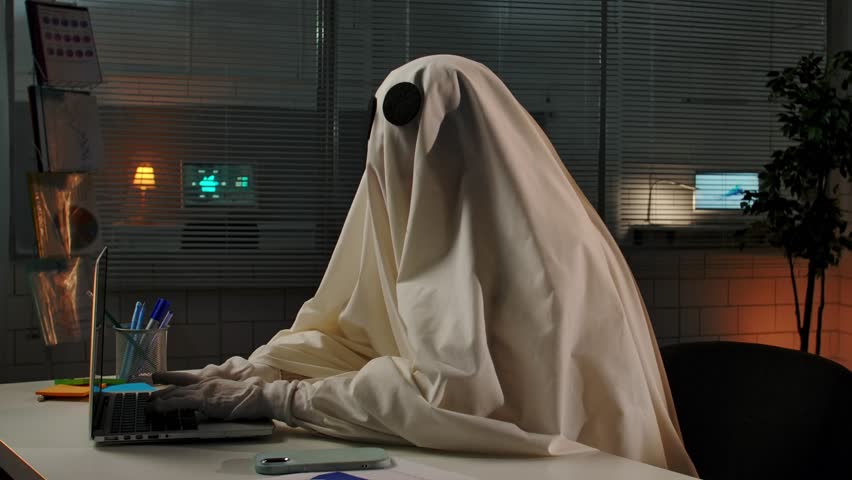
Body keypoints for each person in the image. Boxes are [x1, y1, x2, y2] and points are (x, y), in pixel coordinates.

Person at [151, 55, 697, 477]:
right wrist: (256, 370)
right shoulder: (432, 225)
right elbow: (354, 334)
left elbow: (451, 397)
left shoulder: (547, 260)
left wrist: (279, 398)